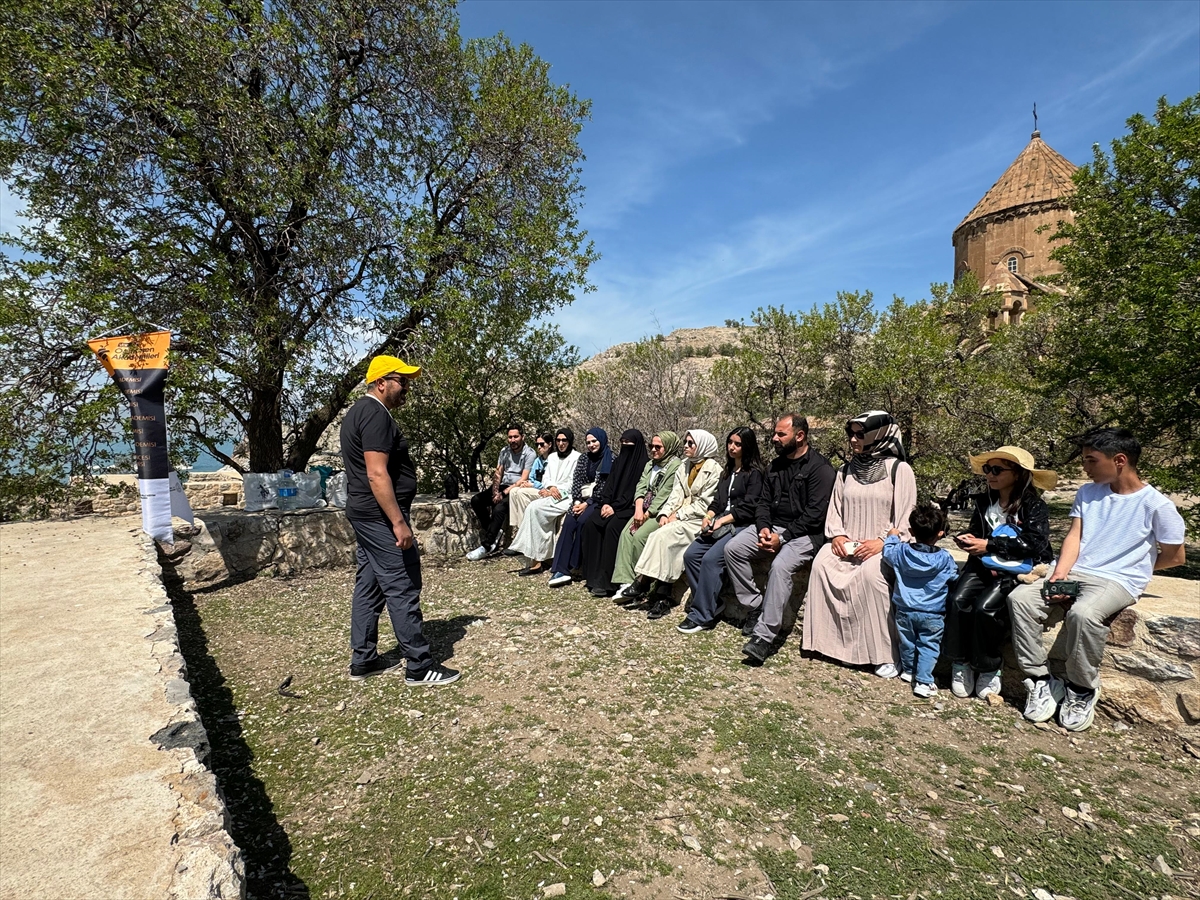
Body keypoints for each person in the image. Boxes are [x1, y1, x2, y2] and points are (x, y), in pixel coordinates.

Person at [1008, 428, 1186, 732]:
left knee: (1084, 614)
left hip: (1118, 581)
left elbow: (1175, 556)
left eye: (1091, 460)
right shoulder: (1088, 493)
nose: (1085, 468)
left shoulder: (1157, 505)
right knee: (1020, 599)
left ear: (1119, 460)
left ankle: (1081, 689)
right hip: (1076, 571)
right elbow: (1075, 536)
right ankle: (1040, 680)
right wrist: (1060, 574)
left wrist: (1136, 568)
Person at [340, 355, 460, 686]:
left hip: (364, 513)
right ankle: (419, 666)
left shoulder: (358, 413)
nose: (407, 388)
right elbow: (377, 474)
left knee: (369, 585)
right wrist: (398, 522)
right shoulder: (375, 414)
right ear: (382, 382)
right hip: (379, 517)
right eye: (402, 381)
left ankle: (363, 660)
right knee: (402, 584)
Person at [802, 410, 917, 676]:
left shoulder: (900, 470)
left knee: (870, 576)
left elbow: (905, 517)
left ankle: (884, 654)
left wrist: (882, 542)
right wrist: (838, 535)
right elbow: (835, 510)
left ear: (878, 435)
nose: (854, 440)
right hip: (848, 543)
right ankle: (825, 644)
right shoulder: (845, 471)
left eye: (861, 434)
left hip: (883, 546)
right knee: (821, 564)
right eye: (851, 434)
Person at [945, 446, 1056, 700]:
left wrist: (990, 545)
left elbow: (1036, 543)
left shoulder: (1033, 507)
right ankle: (960, 662)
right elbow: (978, 531)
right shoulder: (985, 502)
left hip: (1015, 571)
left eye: (997, 470)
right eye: (987, 469)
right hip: (983, 564)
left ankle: (988, 666)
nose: (989, 475)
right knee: (957, 600)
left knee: (986, 609)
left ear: (1017, 474)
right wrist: (971, 539)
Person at [724, 415, 836, 661]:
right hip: (772, 527)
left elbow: (815, 516)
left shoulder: (821, 469)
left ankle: (764, 637)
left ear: (800, 436)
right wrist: (764, 527)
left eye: (780, 434)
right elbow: (763, 502)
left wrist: (782, 538)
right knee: (733, 548)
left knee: (781, 565)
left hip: (806, 534)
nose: (774, 438)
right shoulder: (774, 466)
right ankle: (755, 605)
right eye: (774, 433)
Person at [676, 427, 765, 634]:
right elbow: (717, 501)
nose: (732, 447)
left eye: (738, 444)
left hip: (740, 525)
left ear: (747, 446)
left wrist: (722, 520)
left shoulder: (755, 473)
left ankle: (701, 615)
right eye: (730, 442)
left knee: (710, 560)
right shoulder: (727, 471)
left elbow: (750, 506)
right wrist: (708, 516)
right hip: (719, 524)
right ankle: (712, 603)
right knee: (691, 555)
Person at [627, 429, 723, 620]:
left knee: (665, 537)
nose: (686, 447)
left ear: (703, 446)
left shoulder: (714, 469)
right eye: (686, 443)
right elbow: (676, 494)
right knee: (659, 534)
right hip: (679, 516)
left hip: (698, 518)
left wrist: (678, 515)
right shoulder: (685, 466)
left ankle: (646, 584)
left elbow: (705, 503)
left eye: (690, 443)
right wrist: (665, 513)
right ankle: (658, 594)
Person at [882, 504, 959, 698]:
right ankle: (924, 681)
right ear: (940, 533)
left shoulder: (901, 552)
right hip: (932, 613)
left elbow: (887, 551)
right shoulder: (944, 558)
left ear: (911, 531)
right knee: (929, 646)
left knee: (907, 642)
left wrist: (892, 535)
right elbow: (954, 576)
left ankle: (909, 671)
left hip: (905, 610)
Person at [607, 433, 683, 598]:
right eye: (651, 446)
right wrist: (638, 510)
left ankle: (641, 582)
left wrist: (647, 515)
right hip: (643, 509)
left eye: (658, 447)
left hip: (660, 511)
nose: (653, 450)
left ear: (668, 447)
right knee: (626, 534)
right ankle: (625, 581)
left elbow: (664, 494)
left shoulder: (675, 466)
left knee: (640, 536)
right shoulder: (650, 464)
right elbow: (641, 486)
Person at [579, 430, 648, 596]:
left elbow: (633, 491)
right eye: (622, 441)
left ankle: (608, 582)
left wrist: (615, 507)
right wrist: (605, 503)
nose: (625, 446)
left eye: (629, 442)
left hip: (628, 508)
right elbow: (609, 485)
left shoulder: (643, 464)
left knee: (612, 528)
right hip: (611, 505)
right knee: (591, 524)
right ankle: (592, 576)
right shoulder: (618, 463)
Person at [509, 428, 581, 575]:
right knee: (531, 507)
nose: (561, 443)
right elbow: (547, 477)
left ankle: (521, 548)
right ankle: (535, 559)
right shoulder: (553, 457)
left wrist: (556, 490)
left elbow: (573, 481)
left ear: (570, 441)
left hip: (566, 497)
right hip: (551, 493)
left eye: (564, 440)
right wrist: (550, 487)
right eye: (558, 440)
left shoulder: (577, 457)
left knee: (535, 509)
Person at [548, 428, 613, 586]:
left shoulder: (610, 458)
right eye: (588, 442)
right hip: (580, 499)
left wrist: (587, 503)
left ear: (602, 440)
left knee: (583, 521)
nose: (591, 445)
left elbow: (605, 486)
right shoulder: (584, 458)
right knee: (569, 522)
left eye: (594, 441)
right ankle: (560, 569)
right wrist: (577, 501)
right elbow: (576, 480)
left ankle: (574, 565)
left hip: (597, 500)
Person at [466, 425, 535, 561]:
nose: (513, 440)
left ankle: (487, 545)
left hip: (517, 489)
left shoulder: (530, 453)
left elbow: (524, 479)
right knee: (476, 500)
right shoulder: (504, 451)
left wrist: (503, 494)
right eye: (510, 437)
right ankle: (493, 532)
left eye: (516, 436)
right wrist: (495, 491)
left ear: (522, 437)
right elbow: (498, 472)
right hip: (503, 486)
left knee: (499, 509)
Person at [505, 432, 554, 552]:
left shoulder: (553, 460)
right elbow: (532, 476)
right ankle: (519, 528)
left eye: (542, 444)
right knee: (515, 491)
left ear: (550, 445)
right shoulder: (538, 460)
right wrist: (529, 483)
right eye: (537, 444)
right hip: (537, 488)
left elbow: (550, 482)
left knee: (521, 493)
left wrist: (533, 484)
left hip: (546, 491)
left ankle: (523, 535)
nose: (539, 447)